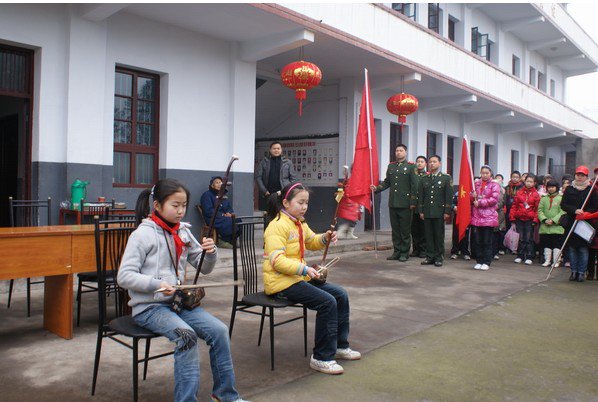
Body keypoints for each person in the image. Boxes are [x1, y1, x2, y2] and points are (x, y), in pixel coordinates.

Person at [117, 178, 247, 402]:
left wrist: (211, 252)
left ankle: (226, 395)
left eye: (184, 205)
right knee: (186, 336)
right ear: (157, 206)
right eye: (174, 205)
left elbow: (204, 268)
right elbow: (124, 276)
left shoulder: (183, 233)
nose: (180, 211)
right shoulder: (142, 235)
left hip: (178, 304)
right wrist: (156, 284)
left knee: (219, 331)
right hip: (149, 308)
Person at [263, 182, 361, 374]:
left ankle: (340, 346)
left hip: (297, 279)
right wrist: (304, 269)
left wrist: (325, 237)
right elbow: (277, 261)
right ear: (286, 202)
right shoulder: (277, 226)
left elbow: (312, 241)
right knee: (327, 302)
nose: (305, 207)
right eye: (300, 202)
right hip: (280, 283)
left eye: (306, 202)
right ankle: (321, 357)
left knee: (340, 294)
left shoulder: (299, 223)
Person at [373, 144, 417, 261]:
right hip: (393, 203)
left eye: (401, 150)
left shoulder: (411, 167)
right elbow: (387, 182)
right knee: (396, 230)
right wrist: (376, 188)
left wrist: (413, 202)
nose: (398, 152)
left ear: (405, 152)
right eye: (397, 150)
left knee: (405, 230)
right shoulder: (391, 166)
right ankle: (396, 252)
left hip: (406, 204)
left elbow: (414, 185)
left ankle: (404, 253)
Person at [560, 166, 598, 282]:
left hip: (585, 223)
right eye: (578, 175)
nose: (580, 177)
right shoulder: (569, 189)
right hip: (572, 221)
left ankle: (581, 272)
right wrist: (574, 210)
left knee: (583, 249)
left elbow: (595, 206)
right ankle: (573, 271)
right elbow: (564, 204)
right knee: (571, 249)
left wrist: (586, 213)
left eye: (582, 175)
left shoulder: (591, 190)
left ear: (586, 177)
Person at [417, 155, 453, 267]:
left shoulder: (446, 178)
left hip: (439, 211)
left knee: (438, 235)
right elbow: (421, 196)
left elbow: (448, 196)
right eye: (430, 162)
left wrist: (447, 211)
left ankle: (438, 257)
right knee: (428, 235)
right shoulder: (424, 179)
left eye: (434, 162)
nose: (432, 164)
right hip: (427, 211)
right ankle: (430, 257)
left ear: (439, 163)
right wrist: (421, 211)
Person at [470, 165, 500, 271]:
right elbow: (471, 199)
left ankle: (487, 261)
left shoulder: (494, 185)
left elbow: (494, 199)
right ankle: (479, 260)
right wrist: (472, 195)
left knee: (487, 241)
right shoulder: (476, 184)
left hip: (488, 217)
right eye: (483, 173)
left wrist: (481, 202)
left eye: (487, 173)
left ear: (490, 173)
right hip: (477, 216)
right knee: (477, 241)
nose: (485, 175)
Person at [509, 174, 540, 265]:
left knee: (529, 238)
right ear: (524, 182)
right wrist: (512, 217)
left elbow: (537, 209)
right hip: (520, 218)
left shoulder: (536, 195)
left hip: (530, 219)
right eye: (527, 181)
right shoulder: (519, 192)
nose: (529, 183)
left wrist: (535, 219)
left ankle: (530, 256)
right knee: (521, 238)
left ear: (534, 183)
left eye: (531, 182)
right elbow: (514, 205)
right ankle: (520, 255)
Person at [256, 141, 297, 210]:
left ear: (281, 150)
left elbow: (293, 179)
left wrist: (286, 190)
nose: (276, 150)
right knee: (268, 214)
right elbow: (258, 177)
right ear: (270, 150)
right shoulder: (264, 161)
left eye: (278, 148)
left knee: (282, 213)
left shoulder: (287, 162)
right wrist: (264, 190)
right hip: (268, 193)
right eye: (274, 148)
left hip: (283, 193)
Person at [200, 176, 236, 249]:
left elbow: (228, 207)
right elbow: (208, 211)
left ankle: (230, 240)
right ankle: (221, 240)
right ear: (212, 185)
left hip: (223, 217)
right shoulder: (207, 195)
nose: (219, 184)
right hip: (212, 218)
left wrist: (229, 213)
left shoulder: (222, 195)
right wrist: (222, 215)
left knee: (237, 219)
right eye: (217, 183)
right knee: (228, 221)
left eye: (220, 182)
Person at [538, 179, 566, 267]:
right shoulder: (543, 199)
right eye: (549, 187)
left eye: (553, 187)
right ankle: (547, 260)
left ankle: (556, 261)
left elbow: (562, 211)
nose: (551, 189)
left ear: (556, 188)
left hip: (557, 227)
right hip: (545, 226)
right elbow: (539, 211)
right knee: (546, 243)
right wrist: (544, 219)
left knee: (557, 244)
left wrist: (553, 220)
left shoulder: (561, 198)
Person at [411, 155, 428, 257]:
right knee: (414, 229)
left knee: (423, 230)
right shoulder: (413, 175)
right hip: (413, 206)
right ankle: (415, 249)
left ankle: (423, 250)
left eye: (422, 161)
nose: (420, 163)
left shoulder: (428, 176)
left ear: (425, 164)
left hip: (423, 207)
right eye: (418, 161)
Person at [450, 190, 471, 261]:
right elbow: (452, 203)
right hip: (458, 216)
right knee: (456, 234)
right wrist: (454, 207)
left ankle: (465, 252)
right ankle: (455, 251)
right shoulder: (457, 193)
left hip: (466, 216)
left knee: (466, 235)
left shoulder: (471, 193)